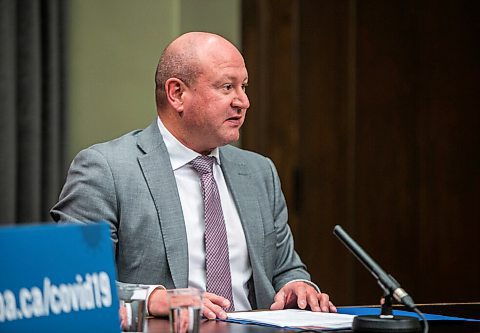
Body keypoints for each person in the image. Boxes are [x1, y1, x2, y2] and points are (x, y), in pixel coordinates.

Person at [51, 31, 336, 319]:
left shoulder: (259, 172)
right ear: (177, 94)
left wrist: (297, 286)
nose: (243, 102)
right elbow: (73, 284)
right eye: (227, 87)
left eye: (244, 87)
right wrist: (153, 299)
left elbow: (285, 268)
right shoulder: (107, 169)